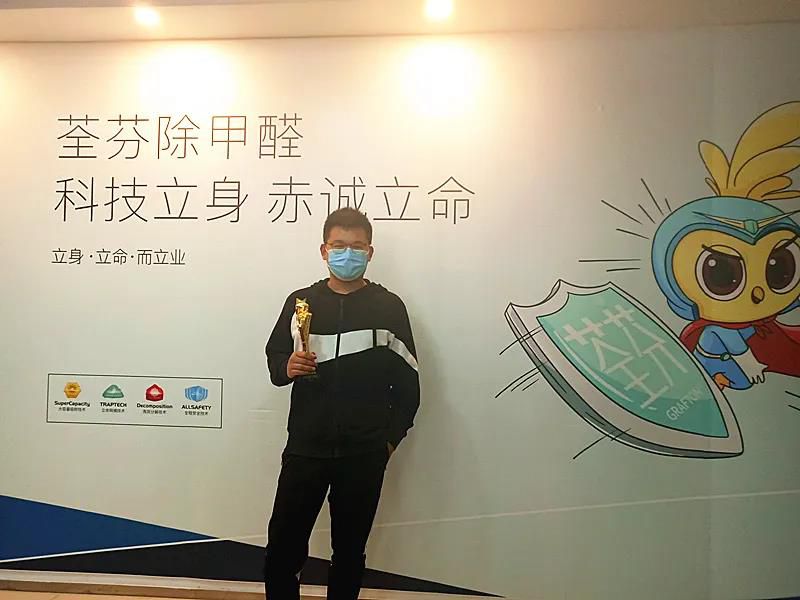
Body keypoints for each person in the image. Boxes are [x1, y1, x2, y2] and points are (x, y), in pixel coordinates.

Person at [264, 207, 420, 600]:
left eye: (356, 246)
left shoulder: (389, 307)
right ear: (324, 250)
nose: (347, 253)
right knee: (283, 549)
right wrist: (286, 366)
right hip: (305, 449)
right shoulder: (300, 302)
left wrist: (387, 442)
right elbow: (275, 358)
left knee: (349, 553)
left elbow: (408, 385)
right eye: (338, 245)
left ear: (369, 252)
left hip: (363, 454)